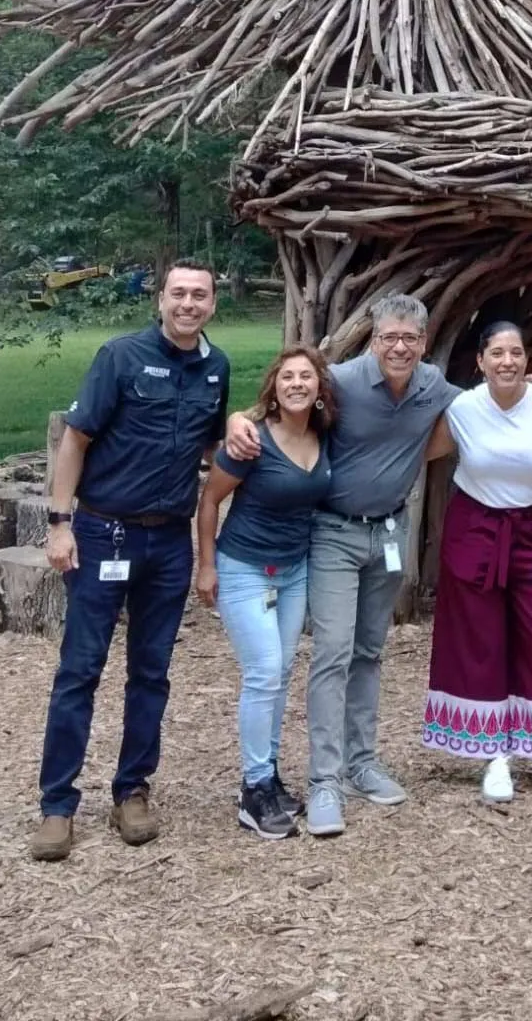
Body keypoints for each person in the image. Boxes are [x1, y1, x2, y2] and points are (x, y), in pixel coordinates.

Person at [223, 294, 532, 836]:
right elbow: (286, 398)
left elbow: (491, 396)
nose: (399, 347)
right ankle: (324, 780)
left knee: (369, 651)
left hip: (390, 532)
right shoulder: (342, 381)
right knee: (332, 653)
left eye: (409, 339)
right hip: (334, 532)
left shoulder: (434, 388)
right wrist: (241, 416)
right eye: (388, 338)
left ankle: (361, 763)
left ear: (423, 344)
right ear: (373, 339)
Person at [30, 260, 230, 862]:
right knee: (79, 671)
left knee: (151, 672)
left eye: (199, 295)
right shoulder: (119, 357)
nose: (188, 304)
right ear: (161, 301)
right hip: (102, 534)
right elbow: (76, 439)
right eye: (178, 294)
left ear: (212, 305)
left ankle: (132, 790)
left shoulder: (216, 370)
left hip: (168, 544)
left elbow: (214, 446)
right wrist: (60, 524)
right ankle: (57, 805)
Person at [419, 322, 532, 801]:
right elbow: (416, 447)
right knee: (483, 639)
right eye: (497, 353)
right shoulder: (461, 409)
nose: (508, 362)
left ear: (527, 358)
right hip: (475, 530)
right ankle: (495, 756)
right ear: (480, 361)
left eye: (516, 352)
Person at [195, 346, 334, 840]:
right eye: (288, 377)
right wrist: (207, 566)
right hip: (244, 567)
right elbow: (210, 501)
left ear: (320, 388)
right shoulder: (251, 441)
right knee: (263, 672)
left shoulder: (323, 435)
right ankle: (253, 789)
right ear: (274, 386)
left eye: (307, 377)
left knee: (281, 671)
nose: (297, 384)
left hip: (294, 570)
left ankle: (269, 777)